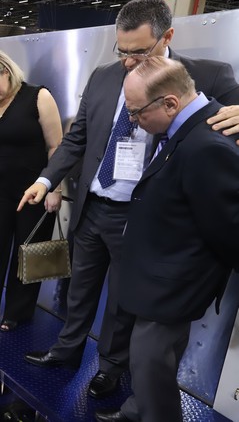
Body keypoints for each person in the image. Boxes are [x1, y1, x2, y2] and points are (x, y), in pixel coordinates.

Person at [19, 0, 239, 400]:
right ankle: (67, 350)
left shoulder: (206, 75)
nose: (128, 62)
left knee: (123, 300)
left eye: (139, 52)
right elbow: (78, 138)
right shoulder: (104, 75)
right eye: (122, 51)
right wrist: (47, 180)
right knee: (79, 287)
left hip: (140, 217)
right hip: (94, 205)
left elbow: (227, 128)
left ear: (166, 37)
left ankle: (109, 367)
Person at [94, 56, 239, 422]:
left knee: (149, 366)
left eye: (136, 112)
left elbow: (228, 230)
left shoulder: (207, 145)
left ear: (170, 103)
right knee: (152, 368)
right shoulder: (184, 129)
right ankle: (136, 410)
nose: (132, 120)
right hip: (158, 277)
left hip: (172, 287)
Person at [0, 48, 63, 332]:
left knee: (29, 252)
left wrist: (54, 187)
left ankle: (18, 312)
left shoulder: (38, 97)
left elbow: (56, 145)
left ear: (6, 71)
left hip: (35, 190)